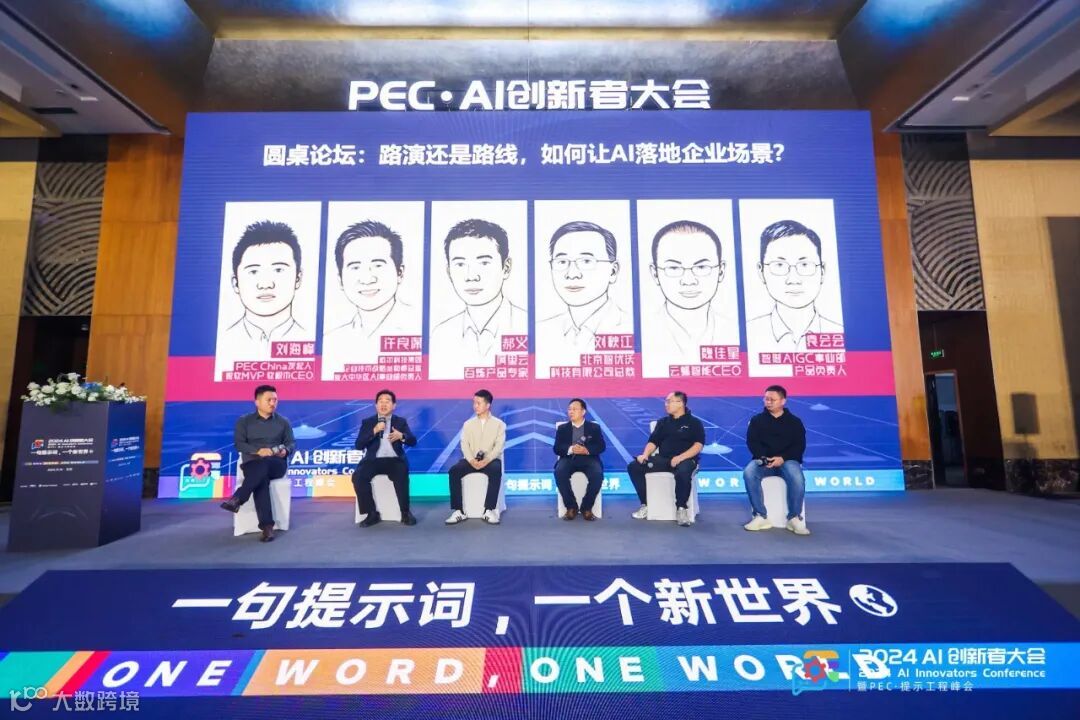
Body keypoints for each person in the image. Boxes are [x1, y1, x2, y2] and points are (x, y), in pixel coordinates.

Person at [429, 219, 526, 379]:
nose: (471, 276)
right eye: (460, 264)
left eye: (484, 263)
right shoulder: (440, 335)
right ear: (449, 271)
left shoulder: (526, 325)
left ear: (506, 267)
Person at [643, 220, 738, 377]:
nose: (688, 280)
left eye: (701, 267)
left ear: (721, 271)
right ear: (655, 274)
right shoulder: (644, 332)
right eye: (674, 268)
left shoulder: (736, 331)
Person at [323, 221, 416, 378]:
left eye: (378, 265)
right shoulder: (330, 341)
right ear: (340, 280)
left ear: (400, 273)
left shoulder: (419, 327)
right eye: (355, 267)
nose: (367, 279)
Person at [536, 221, 629, 377]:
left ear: (613, 271)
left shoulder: (630, 326)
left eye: (586, 261)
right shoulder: (540, 331)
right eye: (562, 262)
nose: (572, 274)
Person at [746, 219, 843, 353]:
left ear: (822, 271)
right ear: (761, 271)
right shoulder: (747, 333)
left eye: (804, 265)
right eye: (779, 265)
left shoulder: (840, 333)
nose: (793, 279)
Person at [219, 221, 306, 364]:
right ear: (235, 283)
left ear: (298, 278)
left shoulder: (313, 340)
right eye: (253, 271)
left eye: (278, 270)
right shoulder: (222, 342)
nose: (266, 284)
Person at [220, 384, 296, 542]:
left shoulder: (283, 422)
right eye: (269, 400)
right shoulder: (244, 421)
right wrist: (258, 451)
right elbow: (239, 444)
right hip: (252, 463)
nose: (273, 403)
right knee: (261, 477)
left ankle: (238, 498)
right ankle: (267, 527)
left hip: (276, 464)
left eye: (275, 400)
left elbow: (291, 443)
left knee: (263, 466)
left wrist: (285, 451)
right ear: (257, 402)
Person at [626, 391, 705, 527]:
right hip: (664, 460)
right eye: (666, 401)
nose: (666, 404)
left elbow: (698, 445)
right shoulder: (663, 422)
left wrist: (680, 457)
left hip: (685, 460)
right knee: (634, 467)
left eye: (669, 401)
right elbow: (653, 442)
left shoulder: (694, 423)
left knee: (683, 472)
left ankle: (681, 509)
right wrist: (645, 454)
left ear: (680, 403)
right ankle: (646, 504)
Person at [742, 385, 810, 535]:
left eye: (772, 399)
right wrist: (763, 457)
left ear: (783, 401)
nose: (768, 402)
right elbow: (752, 442)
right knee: (749, 472)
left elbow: (799, 445)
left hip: (788, 460)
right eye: (766, 399)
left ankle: (794, 517)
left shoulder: (795, 422)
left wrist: (782, 458)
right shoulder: (757, 420)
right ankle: (760, 515)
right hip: (764, 460)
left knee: (797, 477)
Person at [351, 389, 417, 527]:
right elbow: (358, 445)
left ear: (394, 406)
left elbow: (412, 441)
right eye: (380, 401)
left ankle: (405, 512)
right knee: (358, 476)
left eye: (387, 401)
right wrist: (374, 431)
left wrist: (401, 436)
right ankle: (371, 513)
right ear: (376, 405)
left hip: (394, 460)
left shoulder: (400, 422)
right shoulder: (368, 422)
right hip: (373, 460)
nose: (383, 404)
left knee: (401, 474)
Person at [445, 389, 506, 525]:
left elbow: (499, 446)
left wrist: (487, 460)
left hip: (490, 461)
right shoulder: (468, 424)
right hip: (471, 460)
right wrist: (471, 460)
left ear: (488, 405)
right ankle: (458, 511)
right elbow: (464, 444)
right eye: (474, 403)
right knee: (454, 471)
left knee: (496, 469)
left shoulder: (499, 424)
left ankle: (488, 510)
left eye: (478, 403)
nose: (475, 406)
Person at [553, 398, 606, 521]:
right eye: (569, 409)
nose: (571, 412)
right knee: (559, 472)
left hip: (589, 459)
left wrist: (586, 450)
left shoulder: (594, 427)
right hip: (568, 458)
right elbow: (557, 448)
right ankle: (571, 507)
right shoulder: (562, 428)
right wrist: (571, 449)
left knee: (597, 474)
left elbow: (601, 446)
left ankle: (586, 508)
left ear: (583, 412)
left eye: (574, 409)